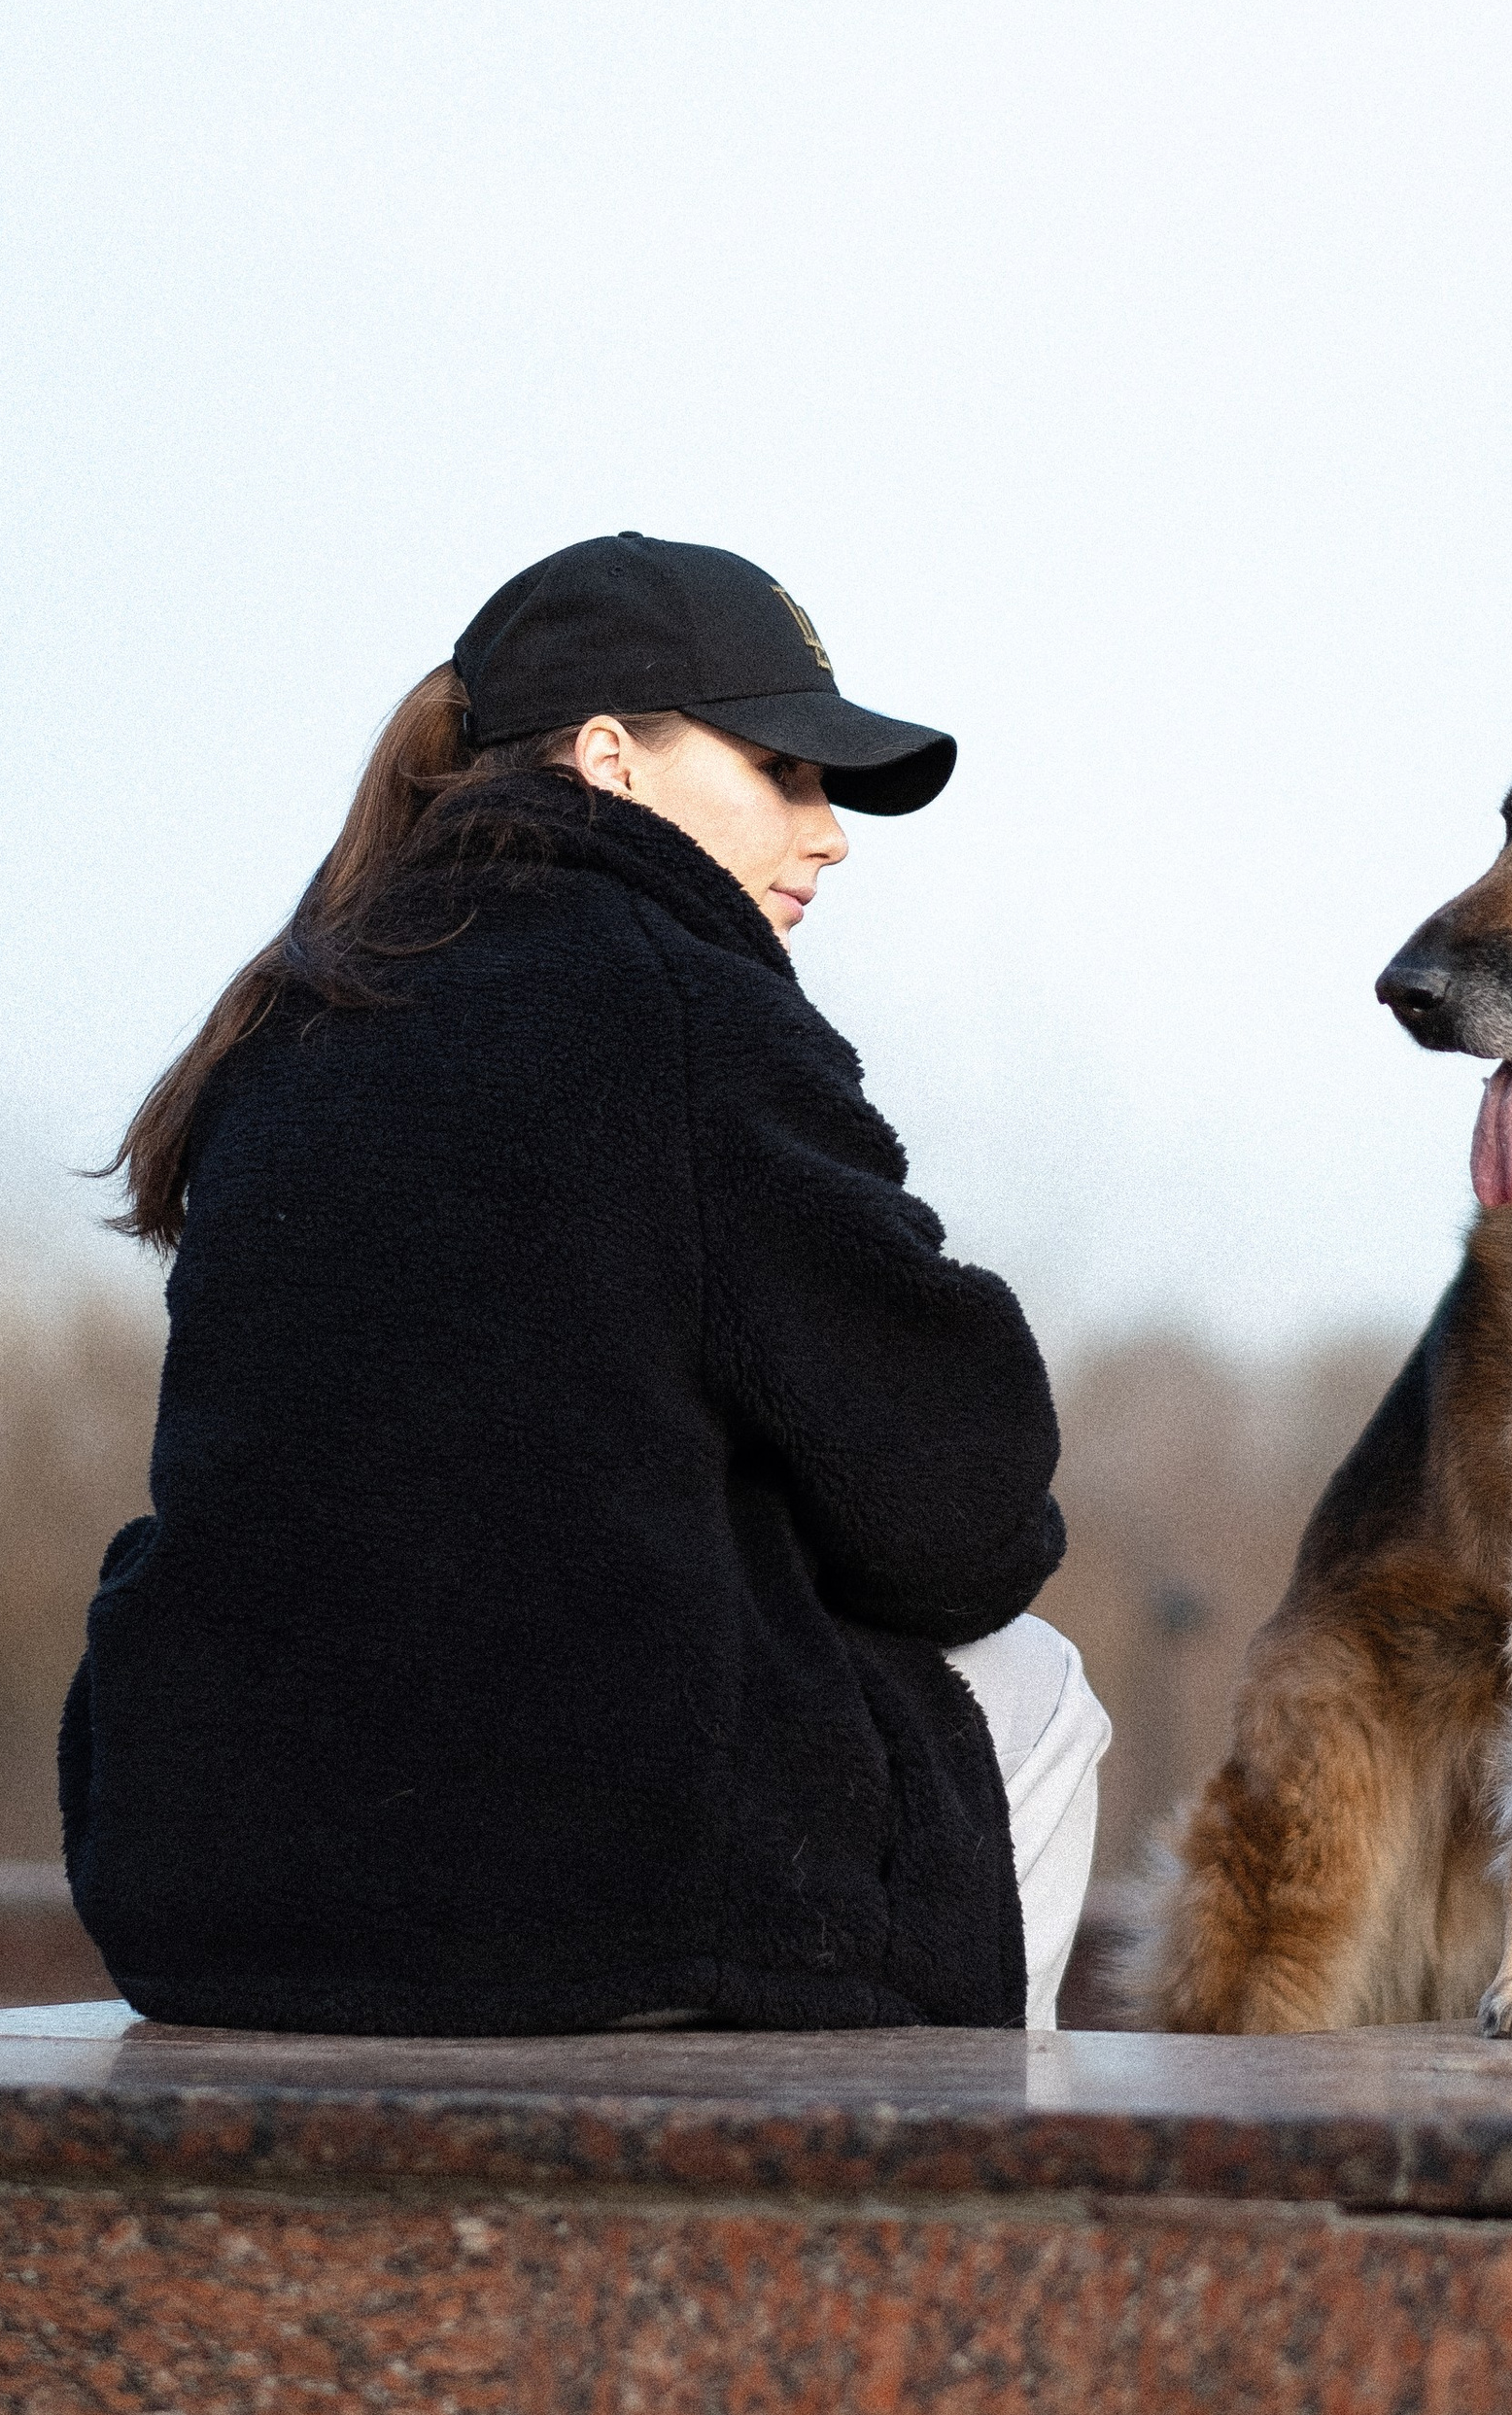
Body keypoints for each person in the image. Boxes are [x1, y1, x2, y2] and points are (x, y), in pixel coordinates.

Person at [61, 532, 1109, 2035]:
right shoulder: (686, 1001)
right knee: (1036, 1681)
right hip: (588, 1901)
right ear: (611, 758)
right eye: (788, 773)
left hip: (204, 1896)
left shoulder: (293, 1014)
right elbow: (965, 1524)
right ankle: (940, 2191)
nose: (830, 834)